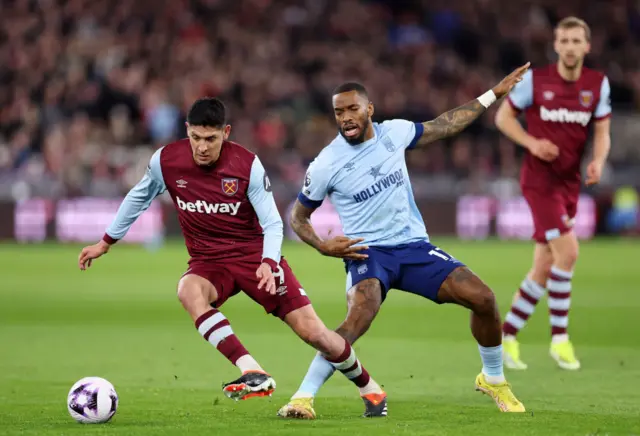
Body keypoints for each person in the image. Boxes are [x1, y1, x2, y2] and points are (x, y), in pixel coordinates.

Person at [77, 97, 386, 415]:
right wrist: (106, 241)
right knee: (188, 290)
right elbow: (137, 197)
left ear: (225, 132)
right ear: (187, 131)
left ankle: (370, 388)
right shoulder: (166, 161)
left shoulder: (246, 164)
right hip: (208, 262)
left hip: (254, 258)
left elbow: (272, 222)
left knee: (315, 333)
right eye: (195, 137)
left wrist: (269, 262)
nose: (202, 147)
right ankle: (252, 370)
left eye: (210, 139)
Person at [277, 63, 531, 419]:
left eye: (352, 109)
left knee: (484, 299)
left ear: (369, 109)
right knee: (357, 320)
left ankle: (493, 378)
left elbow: (445, 124)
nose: (345, 117)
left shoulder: (393, 133)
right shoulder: (325, 165)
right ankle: (303, 397)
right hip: (368, 252)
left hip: (413, 247)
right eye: (338, 112)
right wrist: (322, 245)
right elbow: (298, 218)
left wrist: (494, 94)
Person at [495, 17, 611, 371]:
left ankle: (506, 337)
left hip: (569, 182)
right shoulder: (535, 81)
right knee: (569, 252)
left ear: (587, 46)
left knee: (544, 266)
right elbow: (503, 119)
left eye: (577, 40)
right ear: (556, 46)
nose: (571, 46)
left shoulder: (597, 85)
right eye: (565, 40)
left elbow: (603, 131)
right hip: (539, 181)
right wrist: (532, 142)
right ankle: (559, 339)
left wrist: (599, 161)